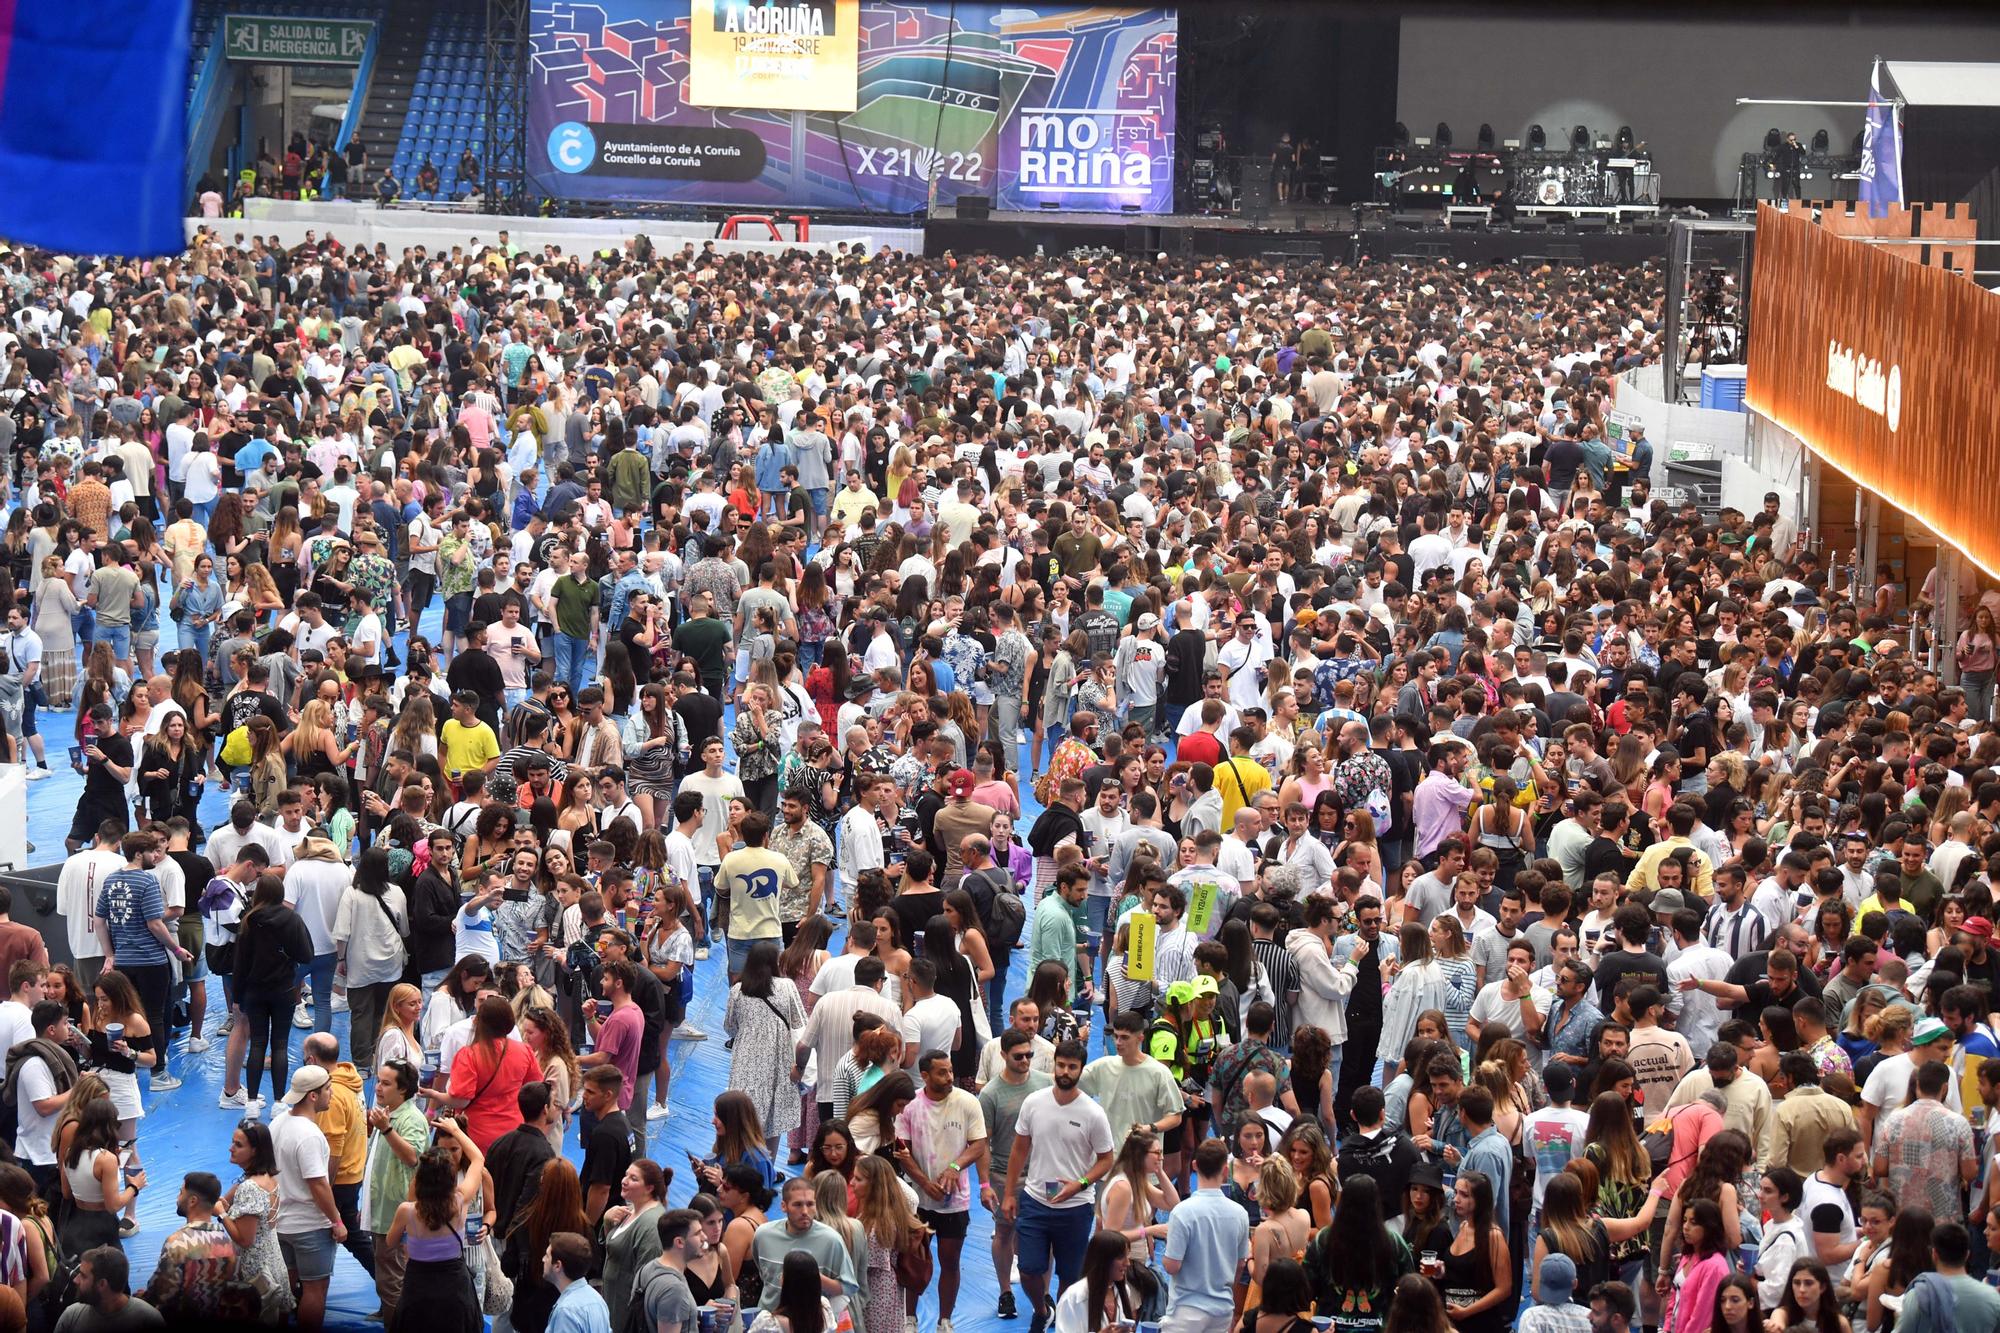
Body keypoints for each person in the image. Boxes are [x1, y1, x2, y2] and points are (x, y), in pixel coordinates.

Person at [1005, 1040, 1114, 1333]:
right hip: (1036, 1200)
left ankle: (1065, 1322)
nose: (1065, 1072)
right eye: (1061, 1065)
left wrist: (1078, 1185)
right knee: (1028, 1268)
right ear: (1054, 1065)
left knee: (1070, 1274)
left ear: (1081, 1069)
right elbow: (1018, 1150)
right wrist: (1008, 1194)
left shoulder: (1093, 1113)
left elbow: (1106, 1160)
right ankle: (1042, 1309)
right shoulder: (1034, 1102)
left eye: (1072, 1067)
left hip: (1076, 1207)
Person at [271, 1066, 345, 1333]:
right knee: (315, 1290)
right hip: (309, 1226)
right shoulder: (310, 1135)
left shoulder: (277, 1122)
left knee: (284, 1284)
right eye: (327, 1089)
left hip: (279, 1223)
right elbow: (318, 1184)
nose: (331, 1093)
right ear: (313, 1096)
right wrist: (336, 1220)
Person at [1162, 1138, 1250, 1333]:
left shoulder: (1182, 1212)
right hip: (1223, 1308)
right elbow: (1241, 1263)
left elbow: (1171, 1265)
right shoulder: (1240, 1213)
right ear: (1225, 1171)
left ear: (1194, 1166)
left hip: (1186, 1309)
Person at [51, 1246, 164, 1331]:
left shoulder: (149, 1321)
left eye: (83, 1276)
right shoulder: (71, 1315)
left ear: (102, 1284)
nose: (76, 1280)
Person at [544, 1230, 611, 1333]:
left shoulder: (566, 1311)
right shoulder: (597, 1300)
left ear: (557, 1265)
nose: (543, 1260)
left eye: (547, 1256)